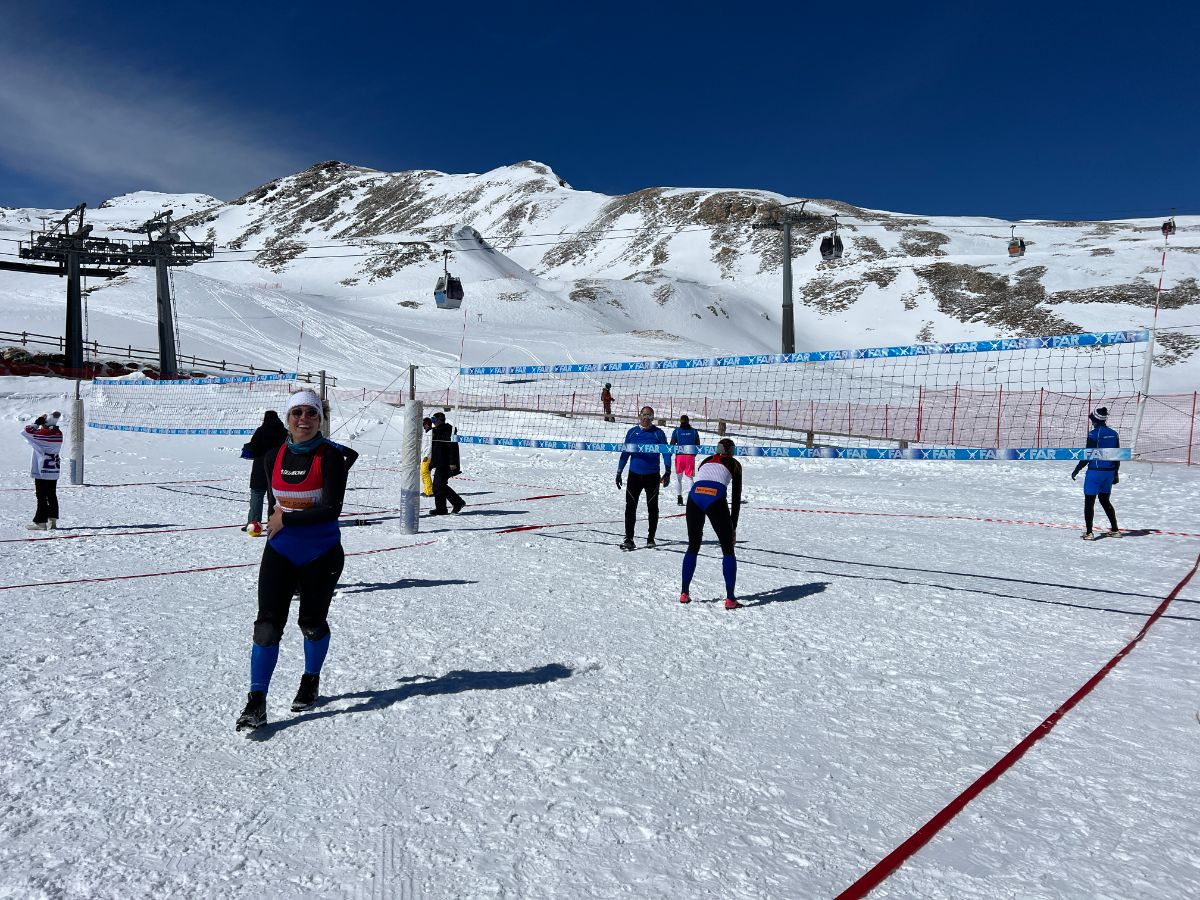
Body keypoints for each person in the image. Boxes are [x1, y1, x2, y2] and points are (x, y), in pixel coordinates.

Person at [236, 390, 348, 731]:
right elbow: (275, 504)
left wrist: (287, 519)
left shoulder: (331, 457)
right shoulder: (273, 456)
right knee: (267, 627)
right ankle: (256, 701)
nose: (304, 419)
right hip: (281, 550)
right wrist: (272, 519)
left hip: (321, 552)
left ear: (320, 419)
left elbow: (331, 509)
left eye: (311, 414)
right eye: (297, 412)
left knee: (311, 623)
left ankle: (310, 679)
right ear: (288, 418)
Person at [680, 438, 743, 609]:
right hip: (715, 497)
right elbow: (735, 500)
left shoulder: (705, 460)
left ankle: (684, 593)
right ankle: (730, 599)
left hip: (694, 497)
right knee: (728, 549)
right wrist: (733, 528)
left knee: (693, 545)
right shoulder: (734, 464)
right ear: (730, 451)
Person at [615, 406, 671, 549]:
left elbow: (666, 453)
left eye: (649, 415)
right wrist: (619, 471)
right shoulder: (632, 432)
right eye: (644, 415)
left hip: (652, 476)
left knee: (652, 507)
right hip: (634, 475)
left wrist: (668, 470)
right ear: (639, 415)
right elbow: (625, 453)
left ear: (653, 418)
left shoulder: (658, 434)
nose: (646, 418)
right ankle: (629, 538)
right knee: (630, 506)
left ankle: (651, 538)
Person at [1071, 406, 1121, 541]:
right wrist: (1116, 473)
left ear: (1095, 420)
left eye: (1092, 419)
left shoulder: (1093, 434)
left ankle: (1089, 533)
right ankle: (1115, 530)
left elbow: (1088, 455)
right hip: (1109, 472)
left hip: (1095, 472)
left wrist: (1077, 469)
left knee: (1089, 502)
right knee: (1105, 500)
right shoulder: (1114, 433)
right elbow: (1117, 455)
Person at [240, 410, 287, 529]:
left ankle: (253, 523)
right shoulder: (284, 432)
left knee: (257, 495)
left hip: (260, 468)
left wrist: (246, 448)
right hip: (277, 468)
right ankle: (274, 523)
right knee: (274, 499)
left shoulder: (261, 430)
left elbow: (253, 447)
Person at [22, 413, 63, 530]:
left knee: (41, 496)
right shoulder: (58, 433)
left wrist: (37, 422)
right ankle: (52, 520)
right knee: (51, 494)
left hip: (42, 469)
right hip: (53, 469)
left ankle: (40, 522)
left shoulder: (43, 434)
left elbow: (26, 431)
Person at [428, 411, 465, 516]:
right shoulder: (436, 430)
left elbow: (453, 448)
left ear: (440, 420)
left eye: (434, 420)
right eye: (432, 420)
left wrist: (453, 463)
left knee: (439, 486)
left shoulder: (449, 430)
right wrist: (432, 463)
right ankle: (441, 509)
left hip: (447, 463)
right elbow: (435, 448)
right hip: (439, 462)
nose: (433, 422)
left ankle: (458, 502)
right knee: (436, 487)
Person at [670, 414, 701, 505]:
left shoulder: (676, 431)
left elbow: (672, 445)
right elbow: (697, 445)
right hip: (690, 456)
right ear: (688, 421)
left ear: (680, 421)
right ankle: (691, 499)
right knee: (689, 478)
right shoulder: (694, 431)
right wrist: (693, 455)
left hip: (680, 456)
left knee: (678, 478)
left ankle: (679, 498)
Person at [420, 416, 434, 497]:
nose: (423, 425)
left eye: (424, 424)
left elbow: (430, 445)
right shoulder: (426, 432)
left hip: (427, 456)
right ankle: (426, 490)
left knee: (425, 473)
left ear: (427, 424)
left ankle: (430, 491)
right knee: (423, 473)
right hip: (424, 455)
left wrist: (427, 455)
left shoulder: (430, 432)